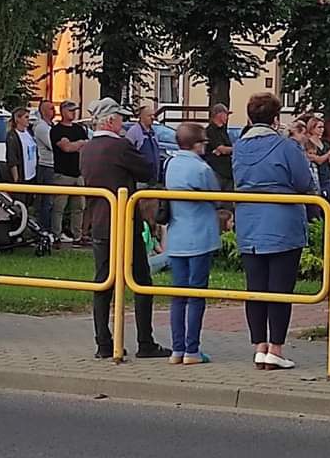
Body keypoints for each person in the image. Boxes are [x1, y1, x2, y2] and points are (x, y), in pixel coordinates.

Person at [81, 97, 170, 360]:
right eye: (120, 118)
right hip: (124, 220)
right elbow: (147, 170)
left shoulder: (87, 148)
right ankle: (145, 342)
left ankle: (103, 343)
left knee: (103, 282)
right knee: (140, 281)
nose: (123, 123)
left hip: (99, 222)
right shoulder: (120, 146)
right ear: (110, 120)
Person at [232, 92, 314, 370]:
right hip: (282, 222)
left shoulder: (239, 147)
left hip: (249, 222)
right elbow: (304, 181)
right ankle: (276, 349)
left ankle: (259, 347)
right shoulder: (286, 146)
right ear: (276, 118)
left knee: (255, 288)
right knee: (280, 289)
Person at [163, 122, 222, 366]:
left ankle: (177, 349)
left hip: (176, 236)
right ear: (198, 144)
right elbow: (216, 196)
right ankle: (192, 350)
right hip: (200, 236)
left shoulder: (170, 164)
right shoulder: (201, 168)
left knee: (178, 295)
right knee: (197, 294)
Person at [51, 100, 88, 245]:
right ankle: (56, 235)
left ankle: (77, 236)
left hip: (78, 174)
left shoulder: (79, 129)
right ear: (63, 111)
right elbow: (66, 148)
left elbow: (86, 147)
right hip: (63, 174)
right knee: (59, 207)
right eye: (70, 110)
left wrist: (75, 144)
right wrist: (79, 144)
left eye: (74, 110)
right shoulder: (56, 130)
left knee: (79, 207)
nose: (73, 113)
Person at [31, 99, 57, 229]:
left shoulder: (51, 126)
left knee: (52, 200)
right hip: (46, 166)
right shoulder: (41, 127)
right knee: (47, 200)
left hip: (54, 165)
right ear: (44, 111)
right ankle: (44, 227)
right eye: (51, 108)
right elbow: (53, 145)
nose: (54, 111)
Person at [125, 104, 162, 187]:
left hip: (153, 179)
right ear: (141, 117)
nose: (153, 118)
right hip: (140, 181)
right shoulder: (133, 132)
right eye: (149, 115)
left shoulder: (153, 133)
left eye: (153, 115)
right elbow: (127, 154)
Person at [4, 107, 37, 187]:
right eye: (26, 117)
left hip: (32, 173)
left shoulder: (29, 132)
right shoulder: (12, 136)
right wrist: (16, 178)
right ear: (18, 119)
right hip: (22, 175)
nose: (28, 120)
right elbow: (12, 158)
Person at [204, 103, 234, 190]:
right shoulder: (211, 131)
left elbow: (222, 149)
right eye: (226, 114)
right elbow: (222, 149)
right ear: (219, 115)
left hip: (227, 172)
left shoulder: (223, 131)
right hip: (217, 171)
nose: (227, 117)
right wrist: (237, 149)